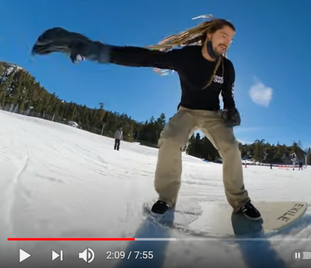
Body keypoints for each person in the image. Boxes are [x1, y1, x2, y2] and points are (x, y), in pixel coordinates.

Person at [31, 16, 262, 220]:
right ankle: (166, 198)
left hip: (212, 114)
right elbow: (144, 58)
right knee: (170, 139)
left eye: (231, 39)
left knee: (231, 147)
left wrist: (230, 110)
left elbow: (227, 94)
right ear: (209, 35)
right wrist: (97, 50)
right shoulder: (185, 58)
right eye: (224, 36)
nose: (227, 43)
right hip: (187, 110)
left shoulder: (227, 67)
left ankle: (240, 203)